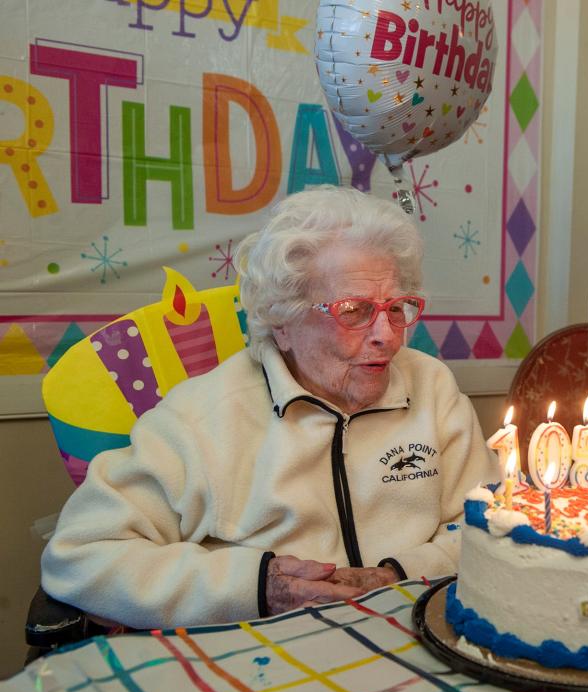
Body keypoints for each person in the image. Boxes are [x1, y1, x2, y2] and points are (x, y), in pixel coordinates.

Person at [41, 186, 500, 628]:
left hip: (418, 637)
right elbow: (83, 555)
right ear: (282, 321)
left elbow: (492, 523)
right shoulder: (203, 418)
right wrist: (259, 587)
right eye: (355, 310)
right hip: (262, 662)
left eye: (397, 307)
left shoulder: (431, 388)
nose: (388, 335)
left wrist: (398, 574)